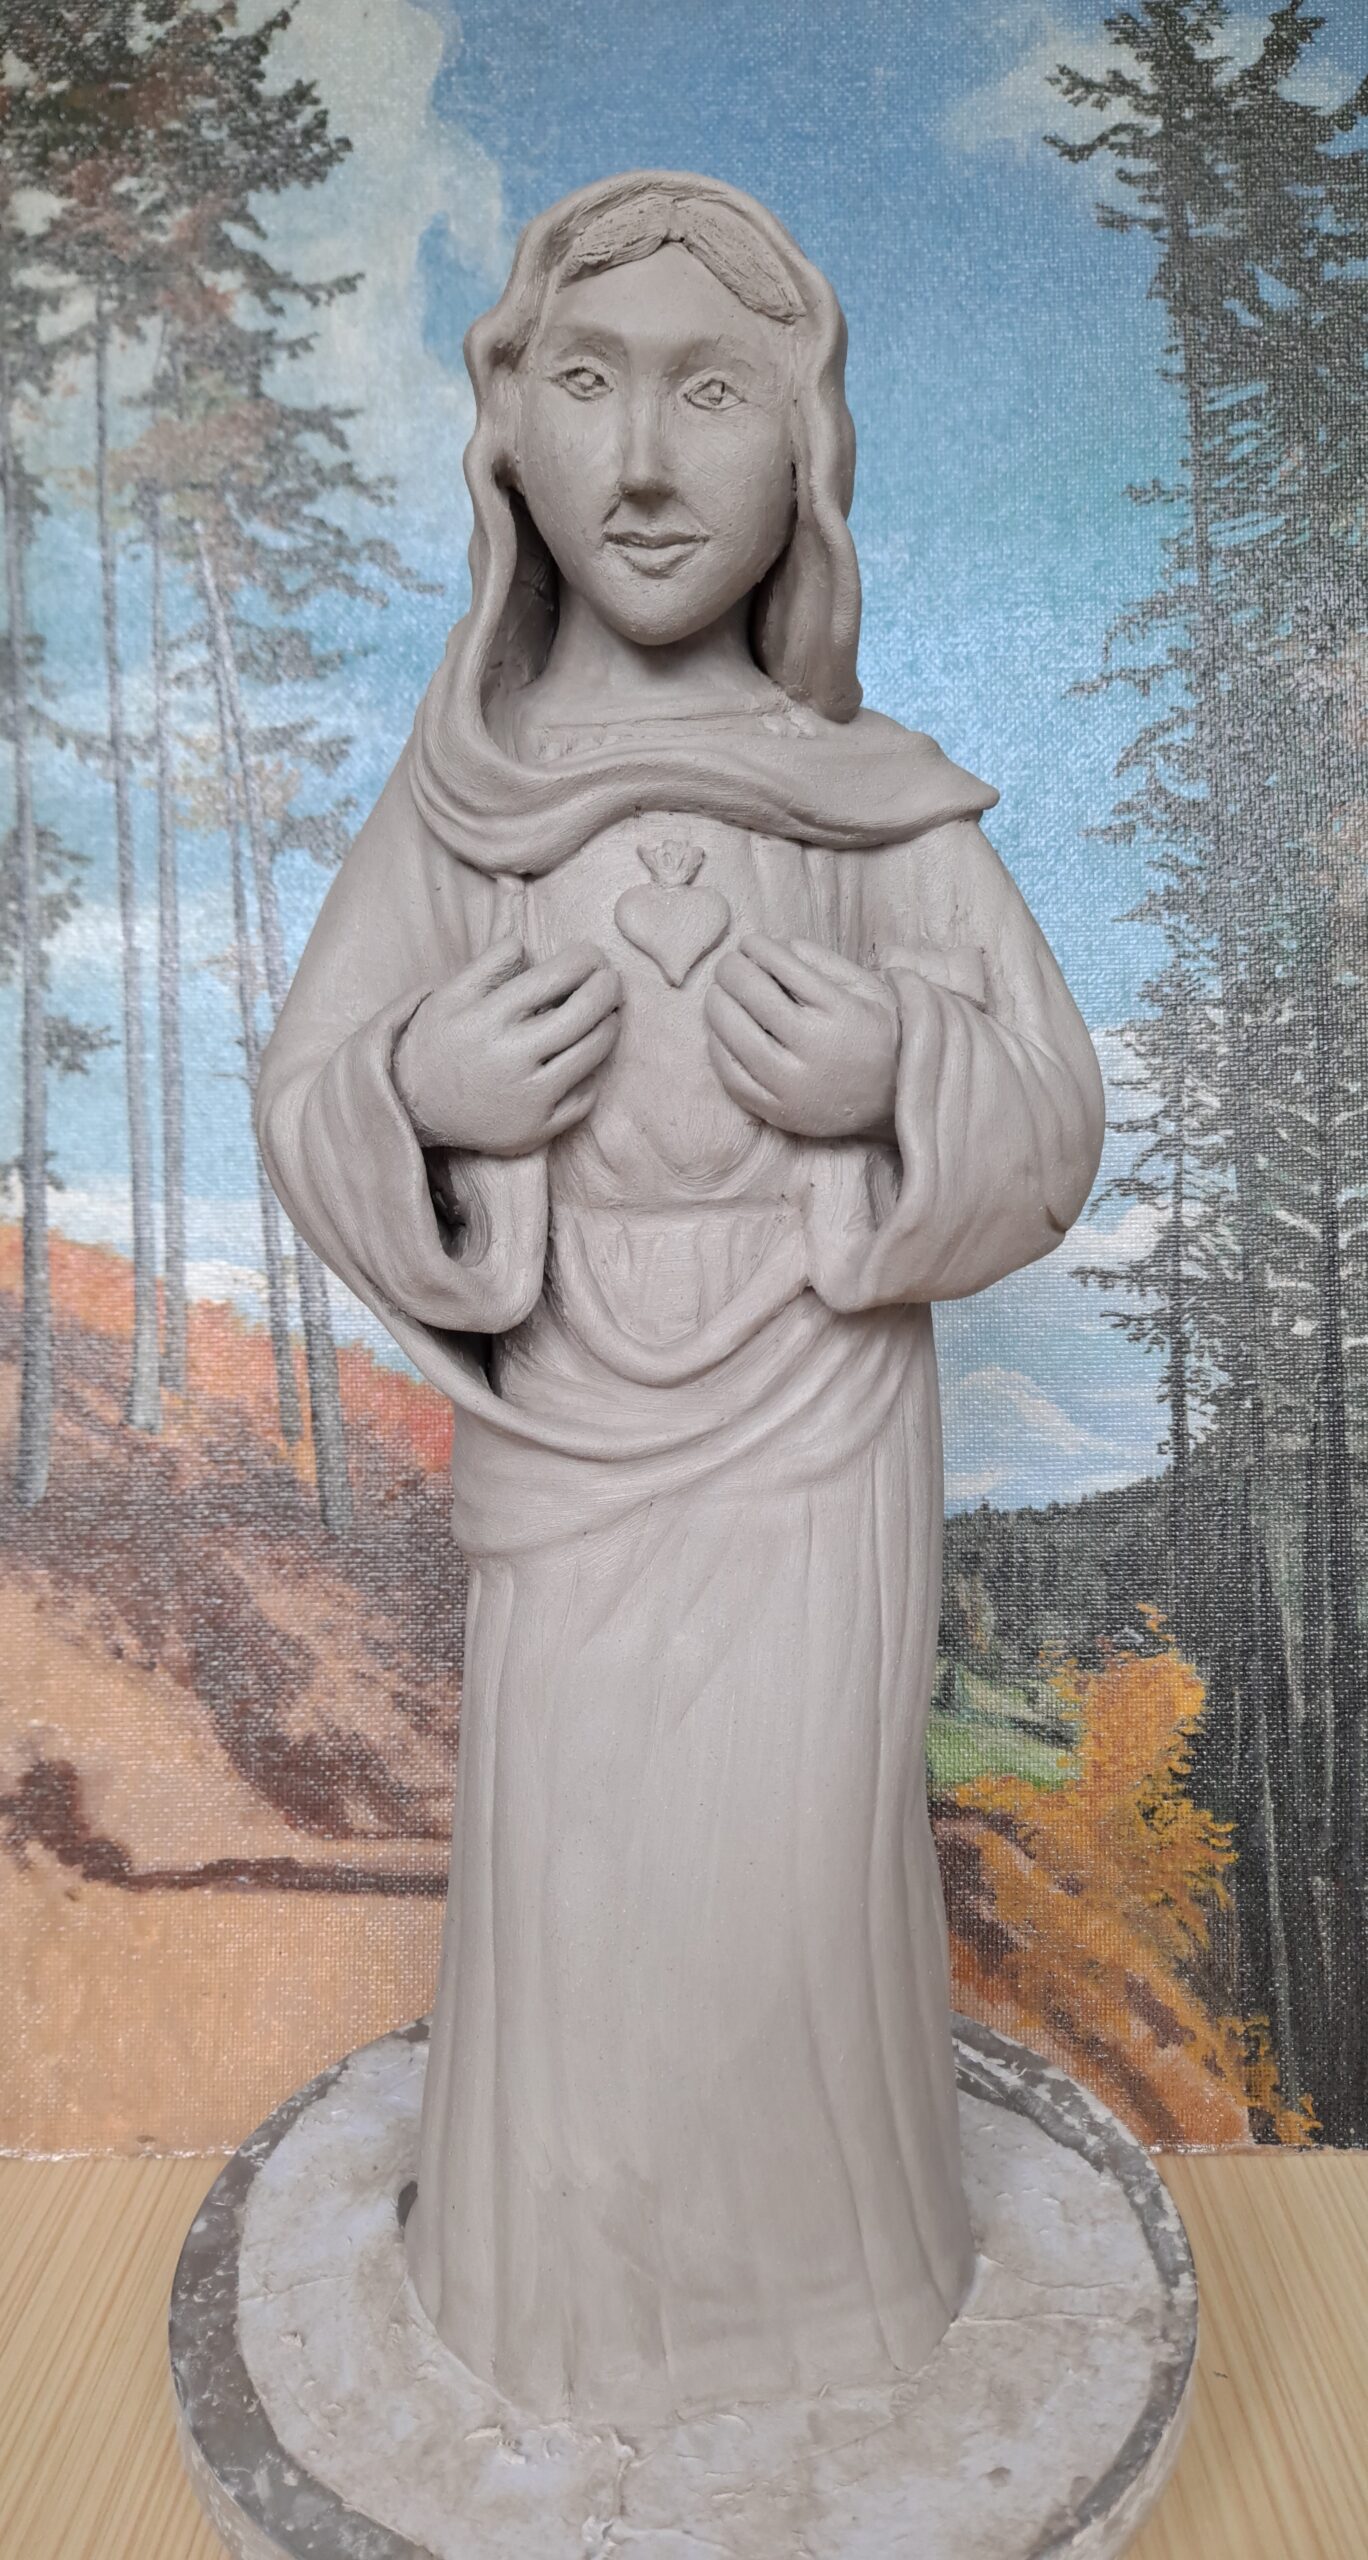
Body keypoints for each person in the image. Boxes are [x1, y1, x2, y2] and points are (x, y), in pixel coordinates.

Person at [256, 170, 1105, 2430]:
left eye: (711, 394)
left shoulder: (867, 802)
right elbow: (312, 1093)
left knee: (783, 1885)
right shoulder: (463, 799)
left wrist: (898, 1069)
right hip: (571, 1428)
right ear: (509, 433)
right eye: (589, 384)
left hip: (814, 1431)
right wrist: (421, 1090)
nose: (641, 465)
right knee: (584, 1889)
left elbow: (1050, 1112)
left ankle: (828, 2308)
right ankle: (560, 2310)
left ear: (803, 447)